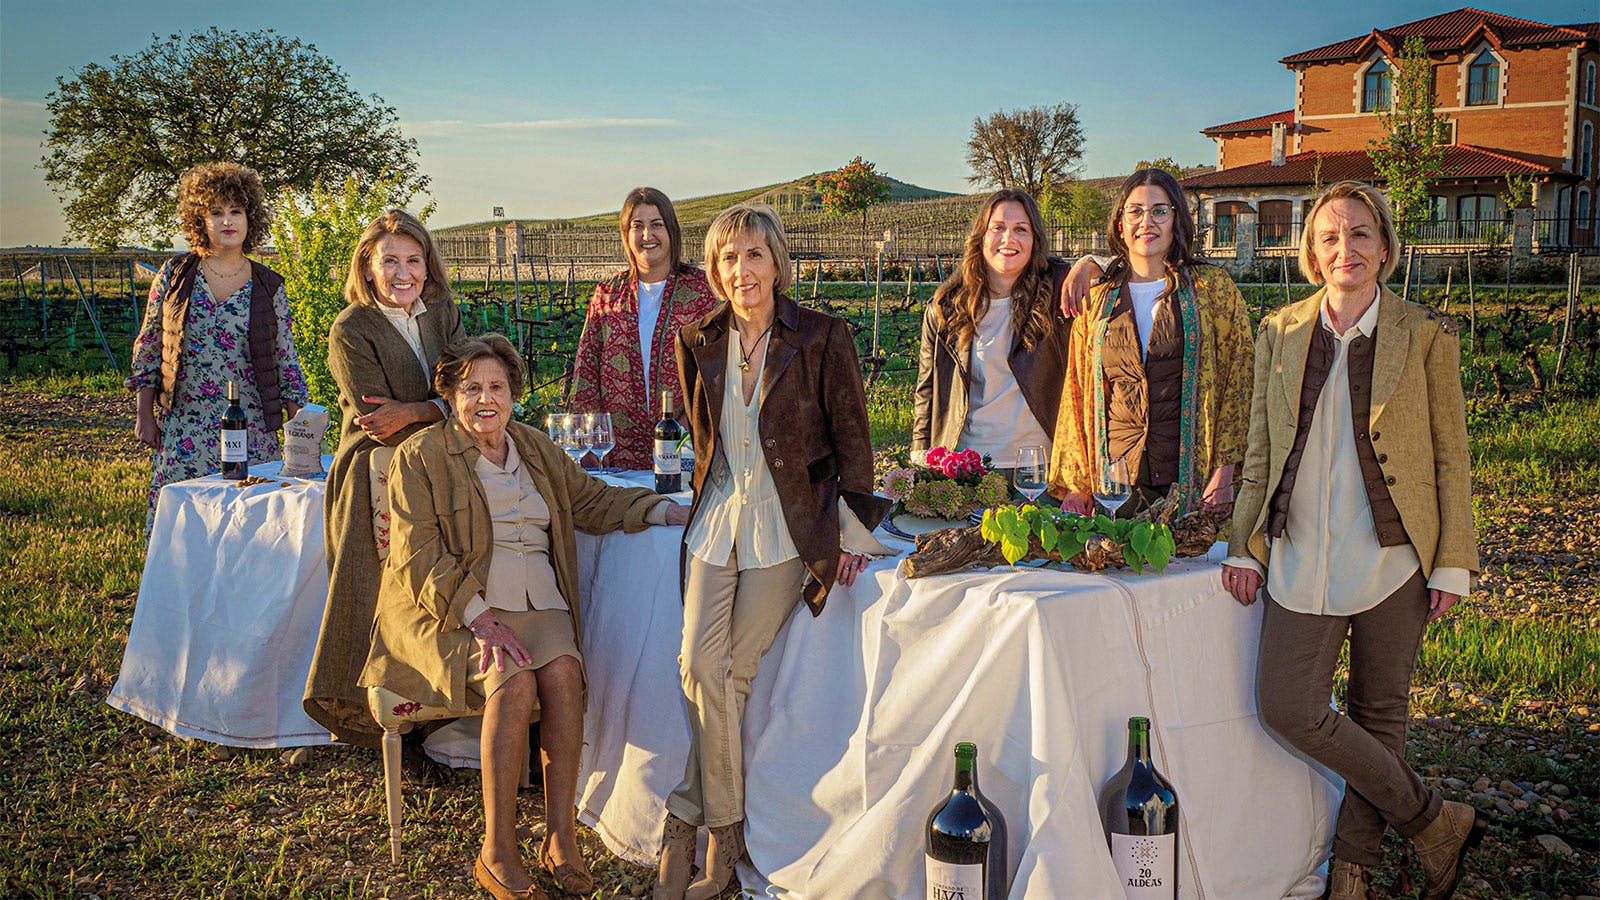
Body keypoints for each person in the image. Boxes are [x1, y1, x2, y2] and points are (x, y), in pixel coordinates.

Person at [1222, 181, 1485, 900]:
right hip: (1301, 549)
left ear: (1386, 245)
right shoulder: (1278, 331)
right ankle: (1434, 821)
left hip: (1395, 556)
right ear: (1312, 251)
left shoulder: (1425, 332)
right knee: (1287, 704)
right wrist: (1244, 543)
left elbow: (1449, 454)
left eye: (1362, 233)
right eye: (1332, 236)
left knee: (1380, 712)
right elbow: (1258, 449)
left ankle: (1352, 873)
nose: (1348, 249)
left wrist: (1453, 562)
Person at [361, 335, 691, 900]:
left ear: (514, 393)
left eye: (496, 387)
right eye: (470, 389)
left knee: (564, 675)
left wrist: (667, 510)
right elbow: (416, 554)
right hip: (456, 608)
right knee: (512, 683)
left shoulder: (534, 447)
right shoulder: (421, 456)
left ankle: (560, 835)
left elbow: (592, 500)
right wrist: (480, 617)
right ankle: (498, 850)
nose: (484, 400)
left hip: (541, 601)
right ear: (450, 395)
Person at [655, 204, 891, 900]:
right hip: (716, 519)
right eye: (728, 258)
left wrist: (850, 526)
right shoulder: (696, 337)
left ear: (777, 263)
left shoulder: (821, 336)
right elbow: (706, 437)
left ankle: (699, 833)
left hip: (789, 524)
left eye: (753, 255)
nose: (741, 270)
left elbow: (855, 439)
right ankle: (710, 822)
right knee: (698, 663)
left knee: (732, 671)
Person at [303, 209, 466, 773]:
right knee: (381, 582)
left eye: (413, 260)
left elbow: (469, 385)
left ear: (428, 266)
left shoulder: (442, 313)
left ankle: (445, 705)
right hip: (374, 467)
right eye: (389, 260)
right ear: (367, 269)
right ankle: (372, 717)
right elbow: (379, 419)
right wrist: (444, 408)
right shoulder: (352, 329)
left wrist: (427, 408)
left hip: (444, 459)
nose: (403, 272)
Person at [1049, 168, 1253, 516]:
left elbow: (1240, 379)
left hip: (1189, 478)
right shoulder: (1097, 298)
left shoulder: (1212, 290)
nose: (1148, 221)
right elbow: (1077, 389)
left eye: (1160, 210)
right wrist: (1077, 483)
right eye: (1136, 211)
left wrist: (1226, 469)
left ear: (1177, 220)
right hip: (1114, 481)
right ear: (1120, 224)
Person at [127, 162, 307, 532]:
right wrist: (144, 414)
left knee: (249, 525)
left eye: (236, 211)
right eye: (216, 212)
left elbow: (285, 357)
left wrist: (300, 431)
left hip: (252, 428)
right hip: (186, 425)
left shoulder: (269, 285)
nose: (228, 221)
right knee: (183, 527)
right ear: (199, 220)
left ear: (250, 219)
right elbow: (149, 347)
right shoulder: (175, 276)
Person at [912, 189, 1074, 476]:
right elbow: (927, 390)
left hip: (1039, 467)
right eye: (998, 228)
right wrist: (920, 458)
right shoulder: (946, 307)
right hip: (967, 466)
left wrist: (1086, 263)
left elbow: (1114, 271)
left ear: (1035, 241)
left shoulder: (1056, 295)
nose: (1008, 239)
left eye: (1020, 229)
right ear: (981, 237)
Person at [571, 188, 718, 469]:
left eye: (657, 225)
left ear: (671, 232)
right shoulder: (608, 294)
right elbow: (586, 370)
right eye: (637, 226)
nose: (647, 236)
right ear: (626, 235)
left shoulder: (700, 291)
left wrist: (692, 422)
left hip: (683, 444)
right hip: (615, 451)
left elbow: (716, 368)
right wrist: (585, 441)